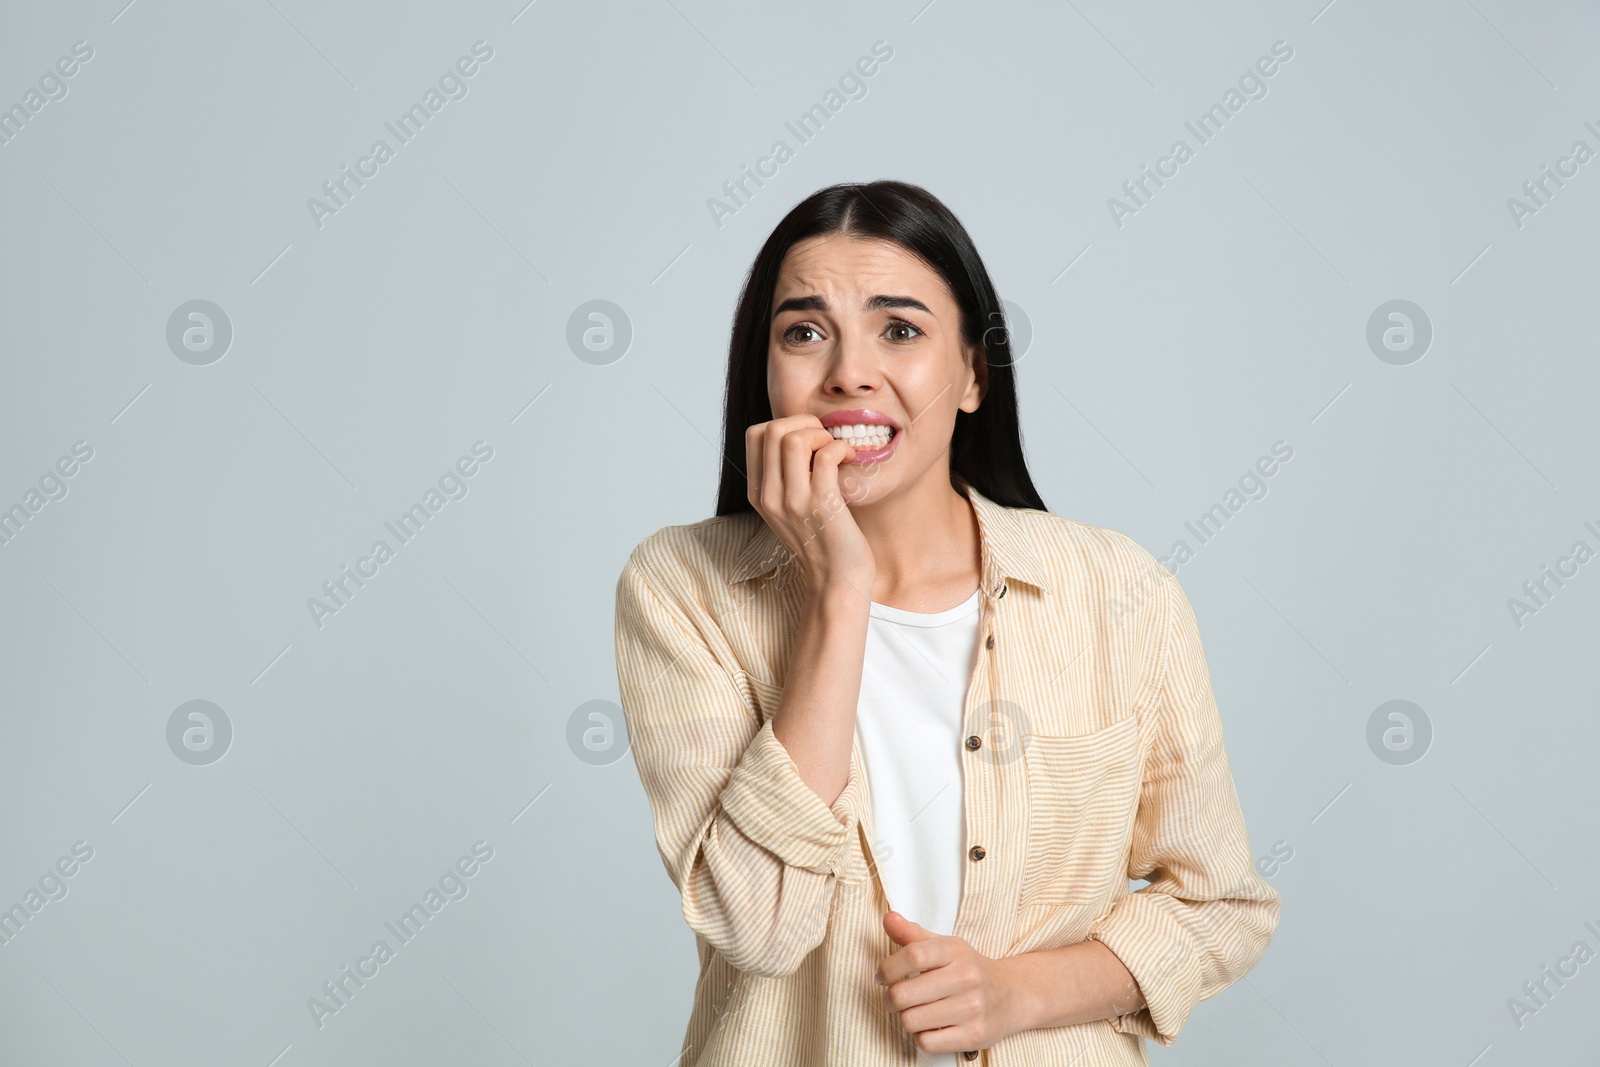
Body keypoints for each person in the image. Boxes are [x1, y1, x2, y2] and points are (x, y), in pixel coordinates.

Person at [613, 180, 1280, 1066]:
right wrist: (840, 590)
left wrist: (1016, 994)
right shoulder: (685, 588)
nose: (848, 371)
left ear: (972, 374)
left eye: (900, 328)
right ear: (765, 374)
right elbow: (757, 923)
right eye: (804, 331)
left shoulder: (1120, 592)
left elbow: (1217, 904)